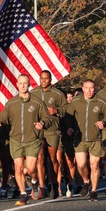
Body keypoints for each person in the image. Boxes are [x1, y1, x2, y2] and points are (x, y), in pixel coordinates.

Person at [0, 74, 51, 205]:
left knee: (30, 169)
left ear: (29, 84)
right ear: (17, 84)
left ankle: (35, 182)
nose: (23, 85)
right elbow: (3, 118)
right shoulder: (11, 103)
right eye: (21, 83)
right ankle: (23, 194)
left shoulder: (37, 102)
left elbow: (47, 119)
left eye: (25, 83)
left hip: (32, 139)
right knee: (18, 168)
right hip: (16, 139)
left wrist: (42, 123)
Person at [65, 79, 106, 201]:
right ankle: (86, 181)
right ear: (82, 88)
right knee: (81, 165)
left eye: (91, 88)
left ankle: (93, 191)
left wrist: (104, 122)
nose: (89, 91)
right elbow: (68, 116)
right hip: (80, 138)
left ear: (95, 89)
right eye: (86, 88)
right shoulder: (76, 101)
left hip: (95, 139)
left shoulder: (100, 102)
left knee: (95, 164)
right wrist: (69, 127)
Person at [33, 70, 66, 199]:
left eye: (46, 78)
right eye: (41, 78)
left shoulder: (57, 94)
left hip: (52, 130)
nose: (43, 81)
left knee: (52, 159)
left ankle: (53, 184)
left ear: (50, 79)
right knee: (40, 157)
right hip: (38, 130)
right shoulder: (33, 93)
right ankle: (42, 187)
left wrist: (57, 111)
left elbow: (67, 108)